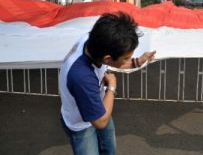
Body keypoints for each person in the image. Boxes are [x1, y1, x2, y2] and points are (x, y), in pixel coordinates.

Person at [59, 12, 156, 155]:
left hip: (98, 106)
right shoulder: (82, 76)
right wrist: (111, 87)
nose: (127, 60)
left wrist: (136, 62)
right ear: (107, 58)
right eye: (126, 58)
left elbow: (116, 61)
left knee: (109, 150)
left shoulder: (94, 40)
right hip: (81, 124)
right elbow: (100, 122)